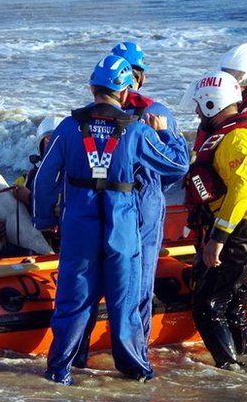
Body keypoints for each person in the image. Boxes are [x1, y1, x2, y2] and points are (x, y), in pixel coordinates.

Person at [33, 55, 188, 385]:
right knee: (125, 300)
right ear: (124, 90)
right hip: (122, 222)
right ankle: (134, 372)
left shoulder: (68, 127)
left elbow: (44, 177)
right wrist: (167, 136)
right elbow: (176, 166)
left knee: (74, 299)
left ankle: (61, 370)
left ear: (92, 87)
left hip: (79, 222)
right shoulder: (136, 131)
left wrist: (44, 218)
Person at [71, 41, 185, 368]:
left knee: (88, 283)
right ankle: (135, 358)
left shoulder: (94, 113)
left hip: (101, 204)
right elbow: (172, 168)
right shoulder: (156, 113)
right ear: (139, 76)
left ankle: (77, 355)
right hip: (143, 205)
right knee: (137, 287)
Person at [183, 71, 247, 370]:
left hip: (239, 233)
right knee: (234, 304)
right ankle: (243, 358)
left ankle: (231, 369)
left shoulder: (238, 139)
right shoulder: (233, 134)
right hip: (243, 229)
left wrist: (217, 239)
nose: (197, 112)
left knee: (207, 306)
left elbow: (241, 191)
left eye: (200, 105)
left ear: (212, 104)